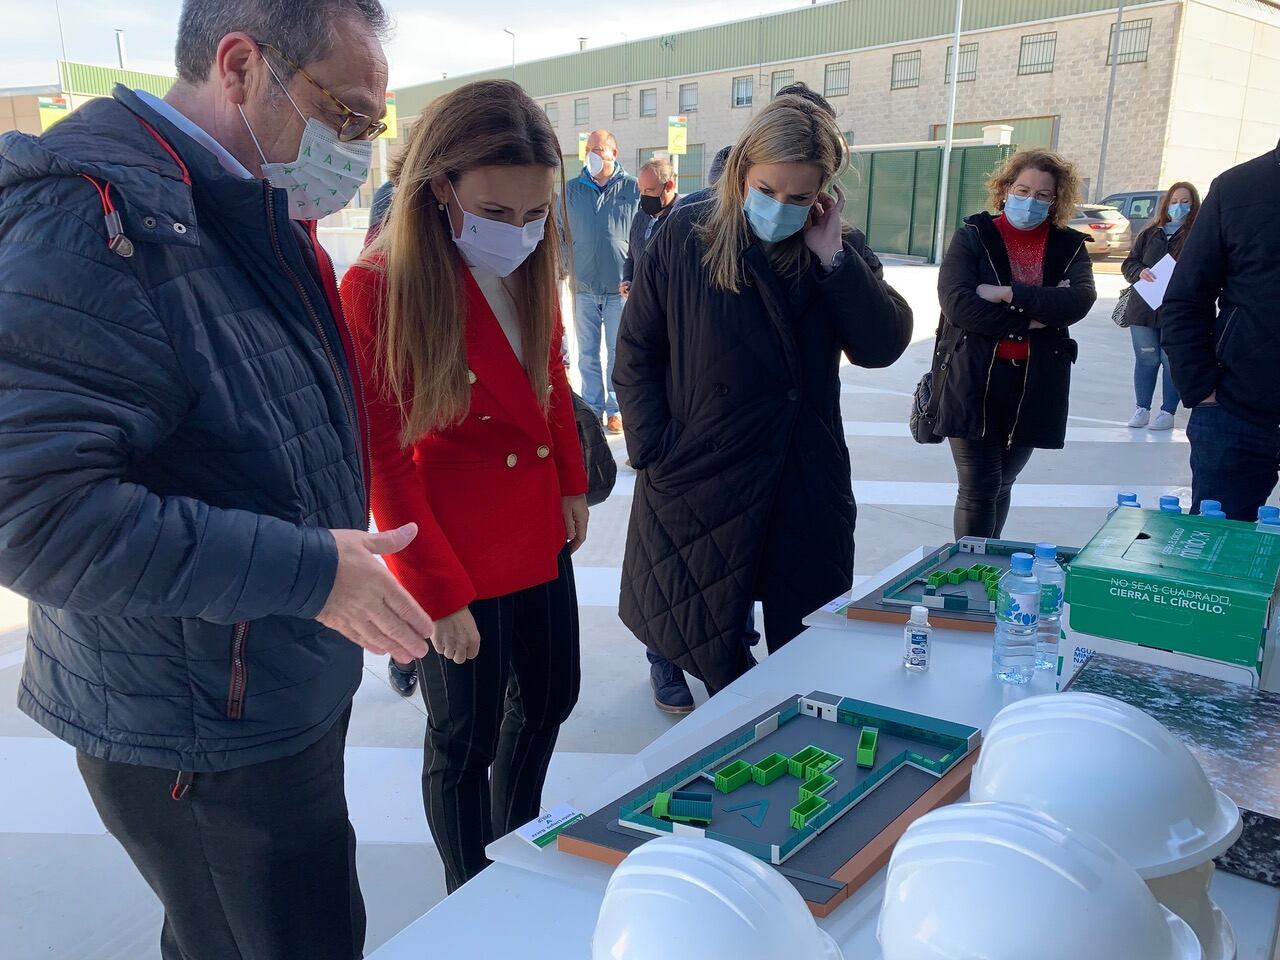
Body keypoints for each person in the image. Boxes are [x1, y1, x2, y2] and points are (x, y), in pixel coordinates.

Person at [0, 3, 436, 958]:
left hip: (249, 687)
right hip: (197, 725)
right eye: (347, 115)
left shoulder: (231, 206)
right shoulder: (95, 215)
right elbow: (32, 516)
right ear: (240, 68)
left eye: (372, 127)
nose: (358, 147)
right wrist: (313, 574)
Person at [340, 79, 588, 893]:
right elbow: (385, 458)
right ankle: (470, 886)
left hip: (534, 524)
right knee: (464, 736)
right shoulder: (380, 287)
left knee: (552, 696)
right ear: (439, 187)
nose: (516, 232)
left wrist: (571, 482)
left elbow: (546, 370)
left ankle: (515, 843)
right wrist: (438, 594)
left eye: (531, 211)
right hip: (454, 547)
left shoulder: (526, 257)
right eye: (496, 210)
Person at [614, 95, 912, 693]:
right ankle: (670, 663)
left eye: (800, 197)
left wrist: (833, 258)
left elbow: (882, 344)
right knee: (701, 620)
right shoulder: (686, 233)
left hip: (802, 469)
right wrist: (654, 447)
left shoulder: (834, 245)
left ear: (824, 192)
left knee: (802, 644)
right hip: (701, 464)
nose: (781, 207)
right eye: (767, 189)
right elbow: (637, 351)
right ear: (742, 169)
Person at [930, 149, 1097, 539]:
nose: (1031, 200)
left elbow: (1078, 301)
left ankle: (988, 568)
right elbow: (959, 305)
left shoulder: (1068, 246)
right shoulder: (974, 236)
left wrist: (1006, 293)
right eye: (1023, 189)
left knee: (1002, 484)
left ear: (1056, 200)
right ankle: (974, 573)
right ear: (1005, 189)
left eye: (1043, 195)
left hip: (1035, 384)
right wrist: (1036, 316)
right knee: (979, 489)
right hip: (973, 380)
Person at [1163, 145, 1280, 520]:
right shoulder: (1238, 187)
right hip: (1235, 411)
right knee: (1216, 557)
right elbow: (1185, 297)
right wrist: (1201, 388)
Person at [564, 129, 640, 433]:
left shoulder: (632, 189)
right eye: (588, 149)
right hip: (582, 287)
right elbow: (558, 230)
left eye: (598, 149)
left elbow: (641, 235)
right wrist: (565, 266)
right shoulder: (571, 190)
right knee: (586, 353)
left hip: (619, 289)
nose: (592, 154)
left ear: (613, 153)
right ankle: (593, 409)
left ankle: (615, 408)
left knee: (617, 352)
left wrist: (635, 276)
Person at [1121, 183, 1199, 431]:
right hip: (1143, 307)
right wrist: (1139, 272)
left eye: (1185, 202)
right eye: (1175, 201)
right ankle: (1141, 408)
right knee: (1146, 358)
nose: (1179, 206)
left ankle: (1167, 411)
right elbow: (1129, 262)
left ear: (1194, 204)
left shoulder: (1196, 234)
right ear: (1167, 204)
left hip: (1176, 310)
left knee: (1170, 360)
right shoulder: (1150, 232)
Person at [620, 156, 678, 298]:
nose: (643, 196)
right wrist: (627, 280)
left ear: (668, 186)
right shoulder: (640, 216)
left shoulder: (681, 218)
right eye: (641, 191)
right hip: (640, 302)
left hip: (667, 304)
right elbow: (631, 257)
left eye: (649, 191)